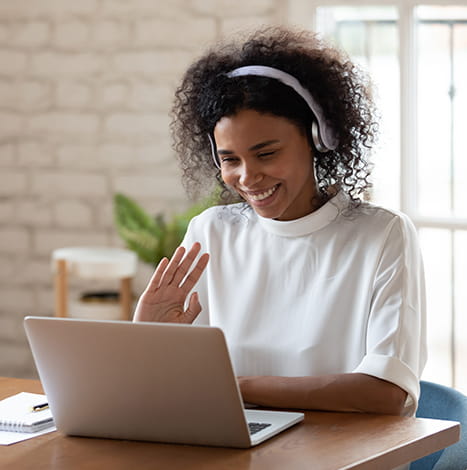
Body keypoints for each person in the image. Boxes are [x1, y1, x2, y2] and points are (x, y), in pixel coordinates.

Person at [134, 26, 426, 417]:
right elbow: (173, 387)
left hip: (343, 451)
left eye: (266, 154)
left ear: (318, 139)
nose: (247, 177)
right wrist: (149, 338)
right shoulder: (212, 232)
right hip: (234, 442)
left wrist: (238, 389)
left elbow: (386, 392)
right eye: (230, 159)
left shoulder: (382, 235)